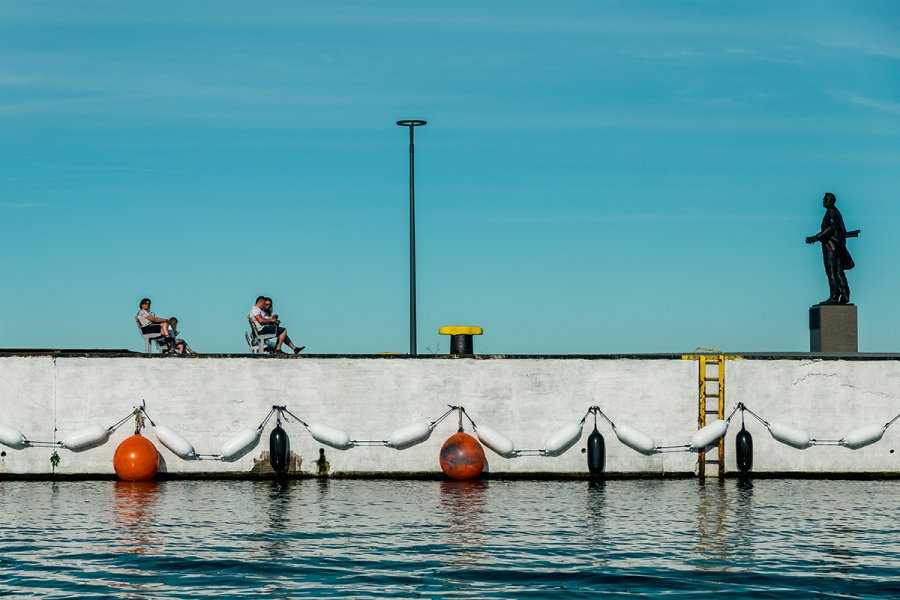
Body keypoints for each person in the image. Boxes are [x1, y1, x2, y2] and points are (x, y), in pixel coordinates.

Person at [806, 192, 859, 305]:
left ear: (830, 201)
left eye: (825, 199)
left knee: (832, 272)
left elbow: (831, 228)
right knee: (839, 272)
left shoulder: (831, 212)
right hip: (838, 246)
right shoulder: (835, 212)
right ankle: (844, 295)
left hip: (831, 247)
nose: (823, 201)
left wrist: (815, 237)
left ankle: (834, 296)